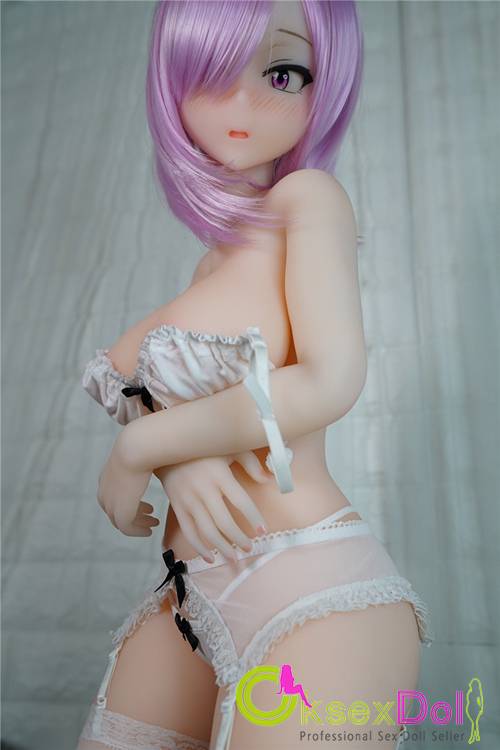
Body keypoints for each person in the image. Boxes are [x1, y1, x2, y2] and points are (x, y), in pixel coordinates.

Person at [76, 2, 433, 749]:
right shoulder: (213, 265)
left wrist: (143, 447)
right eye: (212, 69)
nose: (244, 101)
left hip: (312, 583)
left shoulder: (309, 199)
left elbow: (330, 380)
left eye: (282, 72)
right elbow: (162, 396)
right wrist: (179, 460)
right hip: (189, 594)